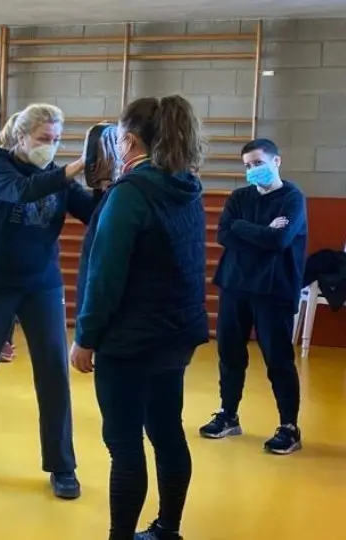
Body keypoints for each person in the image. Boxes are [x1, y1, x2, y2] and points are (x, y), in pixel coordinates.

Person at [0, 104, 105, 500]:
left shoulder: (56, 177)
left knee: (53, 375)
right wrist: (76, 166)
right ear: (21, 137)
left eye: (57, 140)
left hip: (41, 283)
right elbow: (20, 192)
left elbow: (94, 214)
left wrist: (109, 184)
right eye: (45, 139)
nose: (51, 146)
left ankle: (63, 465)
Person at [70, 95, 210, 540]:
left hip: (130, 341)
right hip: (174, 334)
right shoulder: (185, 184)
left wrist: (85, 337)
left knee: (125, 447)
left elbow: (106, 276)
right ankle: (168, 528)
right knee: (168, 434)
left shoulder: (131, 194)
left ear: (127, 141)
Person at [200, 138, 307, 455]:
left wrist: (241, 229)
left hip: (273, 290)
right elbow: (223, 234)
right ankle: (228, 414)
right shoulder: (239, 197)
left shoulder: (292, 198)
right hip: (235, 285)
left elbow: (280, 239)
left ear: (276, 161)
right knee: (229, 354)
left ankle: (289, 426)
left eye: (258, 163)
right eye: (247, 165)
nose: (252, 170)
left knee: (278, 359)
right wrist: (257, 230)